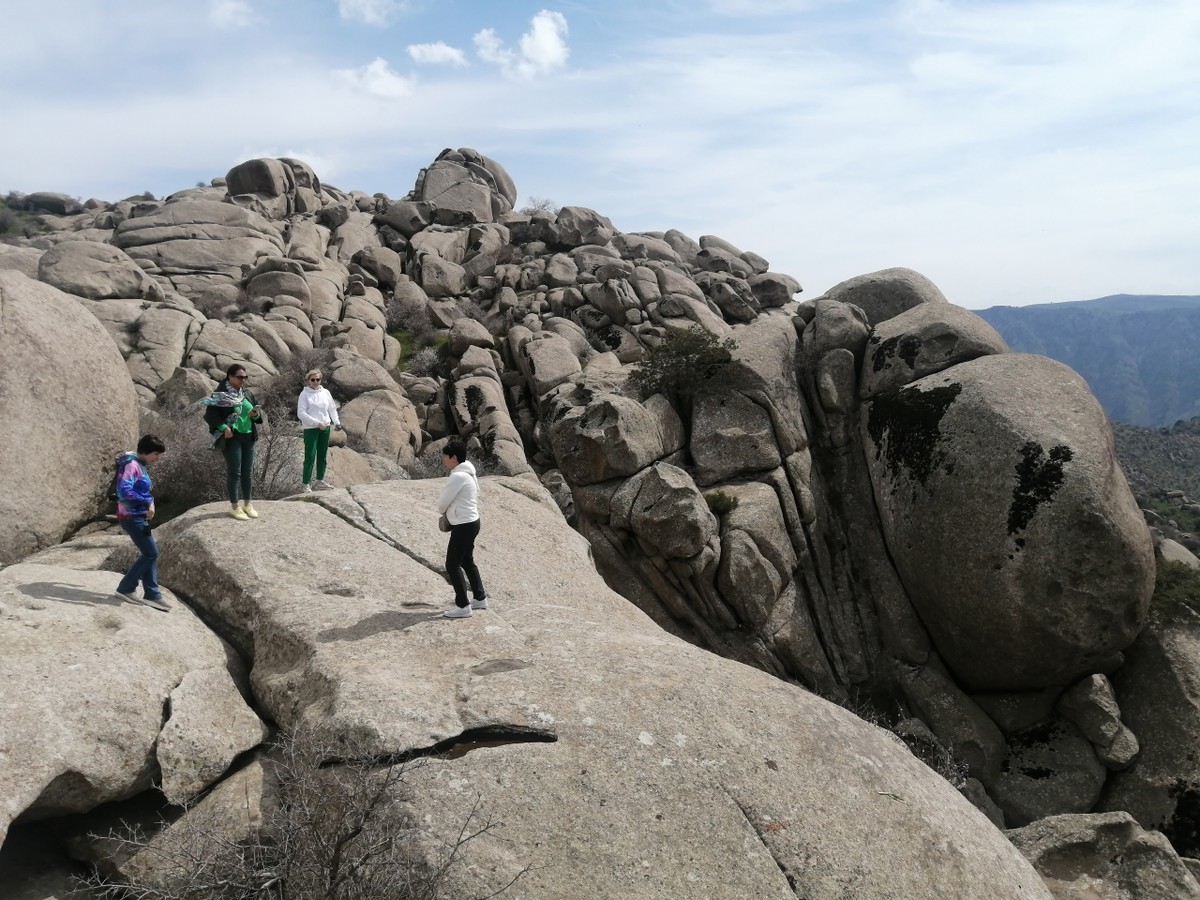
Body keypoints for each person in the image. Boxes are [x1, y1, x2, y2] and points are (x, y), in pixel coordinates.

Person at [114, 434, 169, 612]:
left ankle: (152, 594)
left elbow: (142, 490)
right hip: (130, 516)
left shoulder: (140, 464)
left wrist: (150, 501)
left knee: (150, 552)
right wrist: (147, 502)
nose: (157, 458)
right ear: (144, 452)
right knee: (151, 553)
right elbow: (124, 491)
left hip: (139, 515)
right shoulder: (131, 465)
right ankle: (125, 588)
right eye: (155, 454)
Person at [437, 440, 489, 618]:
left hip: (463, 525)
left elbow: (442, 504)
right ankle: (480, 598)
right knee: (467, 560)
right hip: (472, 522)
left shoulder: (457, 476)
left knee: (452, 564)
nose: (443, 458)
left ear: (454, 457)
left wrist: (447, 510)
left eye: (445, 455)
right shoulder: (469, 472)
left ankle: (463, 606)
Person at [203, 363, 262, 520]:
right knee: (234, 472)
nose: (243, 380)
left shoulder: (247, 393)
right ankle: (235, 507)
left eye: (245, 377)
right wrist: (224, 427)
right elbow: (210, 415)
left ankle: (247, 505)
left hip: (248, 436)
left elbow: (258, 418)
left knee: (247, 473)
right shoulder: (220, 395)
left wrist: (255, 414)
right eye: (239, 377)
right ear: (230, 377)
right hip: (232, 437)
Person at [296, 368, 340, 492]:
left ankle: (320, 481)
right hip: (311, 429)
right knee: (310, 456)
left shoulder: (325, 392)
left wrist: (337, 422)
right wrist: (316, 423)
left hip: (325, 427)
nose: (315, 382)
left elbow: (332, 408)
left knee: (322, 455)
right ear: (308, 381)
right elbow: (301, 413)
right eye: (313, 380)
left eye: (318, 379)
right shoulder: (304, 394)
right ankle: (306, 484)